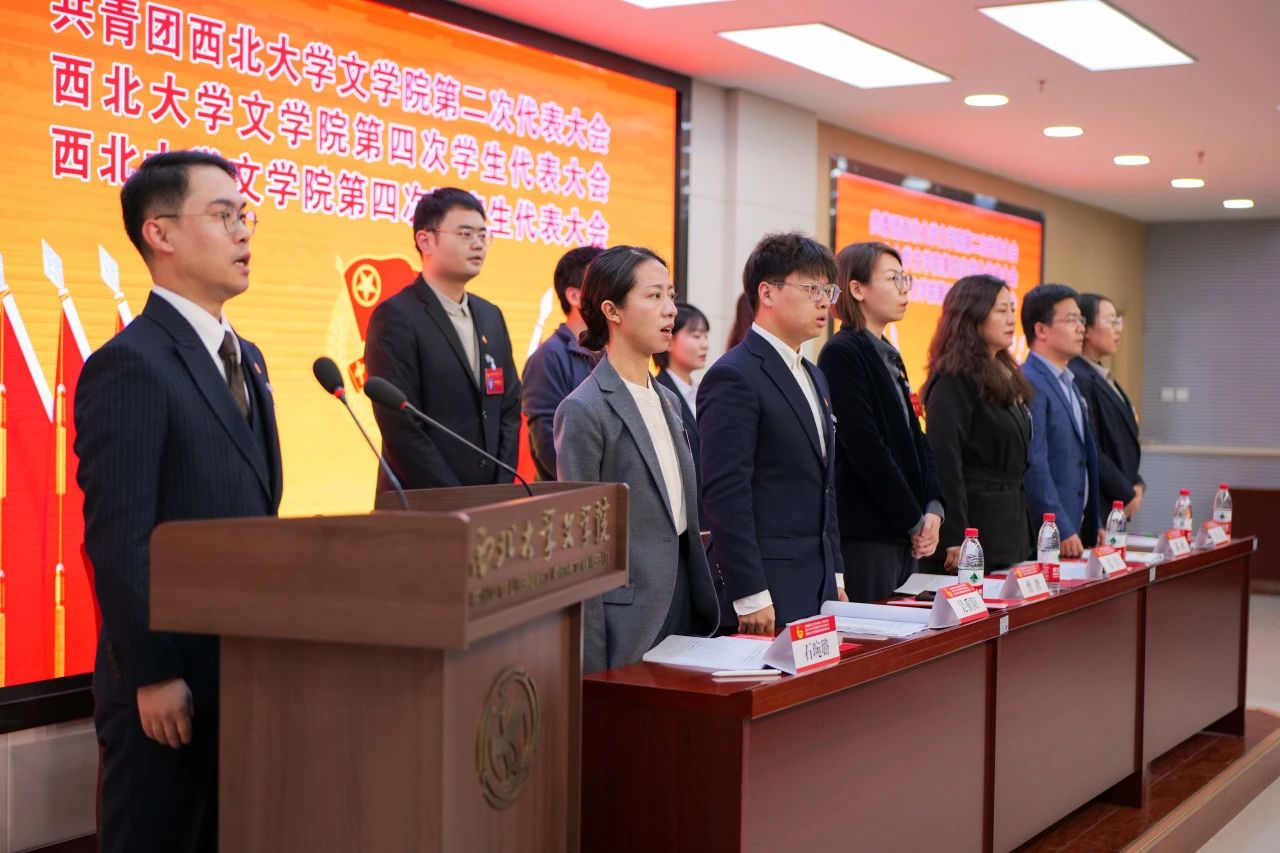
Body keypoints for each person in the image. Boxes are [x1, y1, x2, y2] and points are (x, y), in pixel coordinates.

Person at [75, 150, 283, 853]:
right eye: (223, 215)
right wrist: (155, 670)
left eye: (245, 215)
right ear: (159, 233)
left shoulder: (248, 357)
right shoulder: (130, 364)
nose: (243, 231)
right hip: (168, 688)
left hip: (244, 671)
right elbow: (119, 539)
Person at [554, 247, 719, 673]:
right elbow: (583, 550)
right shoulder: (584, 409)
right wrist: (590, 667)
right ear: (612, 310)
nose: (670, 310)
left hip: (687, 600)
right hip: (630, 619)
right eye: (654, 296)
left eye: (671, 295)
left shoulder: (667, 400)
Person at [698, 232, 846, 636]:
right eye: (811, 289)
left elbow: (826, 487)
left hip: (817, 582)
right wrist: (749, 592)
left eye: (828, 290)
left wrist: (836, 574)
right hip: (765, 589)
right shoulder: (735, 375)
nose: (824, 302)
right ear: (766, 293)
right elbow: (726, 493)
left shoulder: (814, 375)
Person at [364, 187, 520, 490]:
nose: (478, 244)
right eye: (465, 234)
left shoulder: (491, 316)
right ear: (426, 240)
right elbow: (401, 427)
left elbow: (509, 408)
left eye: (483, 235)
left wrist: (499, 490)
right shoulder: (395, 317)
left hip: (490, 500)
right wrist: (453, 498)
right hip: (423, 502)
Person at [819, 242, 944, 601]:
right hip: (869, 532)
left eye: (905, 279)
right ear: (857, 289)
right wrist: (913, 520)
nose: (904, 289)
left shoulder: (890, 354)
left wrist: (934, 507)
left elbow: (917, 437)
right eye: (893, 279)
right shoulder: (842, 352)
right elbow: (866, 447)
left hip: (904, 529)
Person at [920, 275, 1034, 572]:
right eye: (1001, 310)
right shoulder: (953, 379)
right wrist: (955, 536)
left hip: (1011, 526)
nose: (1011, 319)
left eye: (1012, 309)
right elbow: (946, 461)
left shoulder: (1005, 372)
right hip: (975, 531)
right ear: (972, 314)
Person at [1021, 283, 1102, 558]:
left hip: (1077, 527)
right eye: (1071, 320)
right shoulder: (1029, 381)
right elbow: (1035, 462)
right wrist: (1059, 526)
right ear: (1041, 329)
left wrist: (1095, 522)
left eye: (1081, 320)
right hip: (1050, 534)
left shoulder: (1070, 382)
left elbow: (1084, 458)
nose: (1082, 329)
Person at [521, 246, 603, 480]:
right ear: (574, 296)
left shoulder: (614, 351)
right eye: (601, 284)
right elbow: (548, 445)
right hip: (577, 495)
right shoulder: (548, 357)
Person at [1070, 294, 1144, 519]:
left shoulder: (1101, 374)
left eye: (1118, 321)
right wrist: (1126, 493)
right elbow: (1093, 446)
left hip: (1118, 499)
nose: (1118, 329)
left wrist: (1137, 483)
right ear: (1086, 329)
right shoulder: (1078, 376)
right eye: (1111, 321)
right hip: (1099, 503)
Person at [652, 301, 710, 526]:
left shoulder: (703, 392)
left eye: (706, 336)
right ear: (669, 340)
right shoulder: (657, 393)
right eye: (696, 336)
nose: (704, 344)